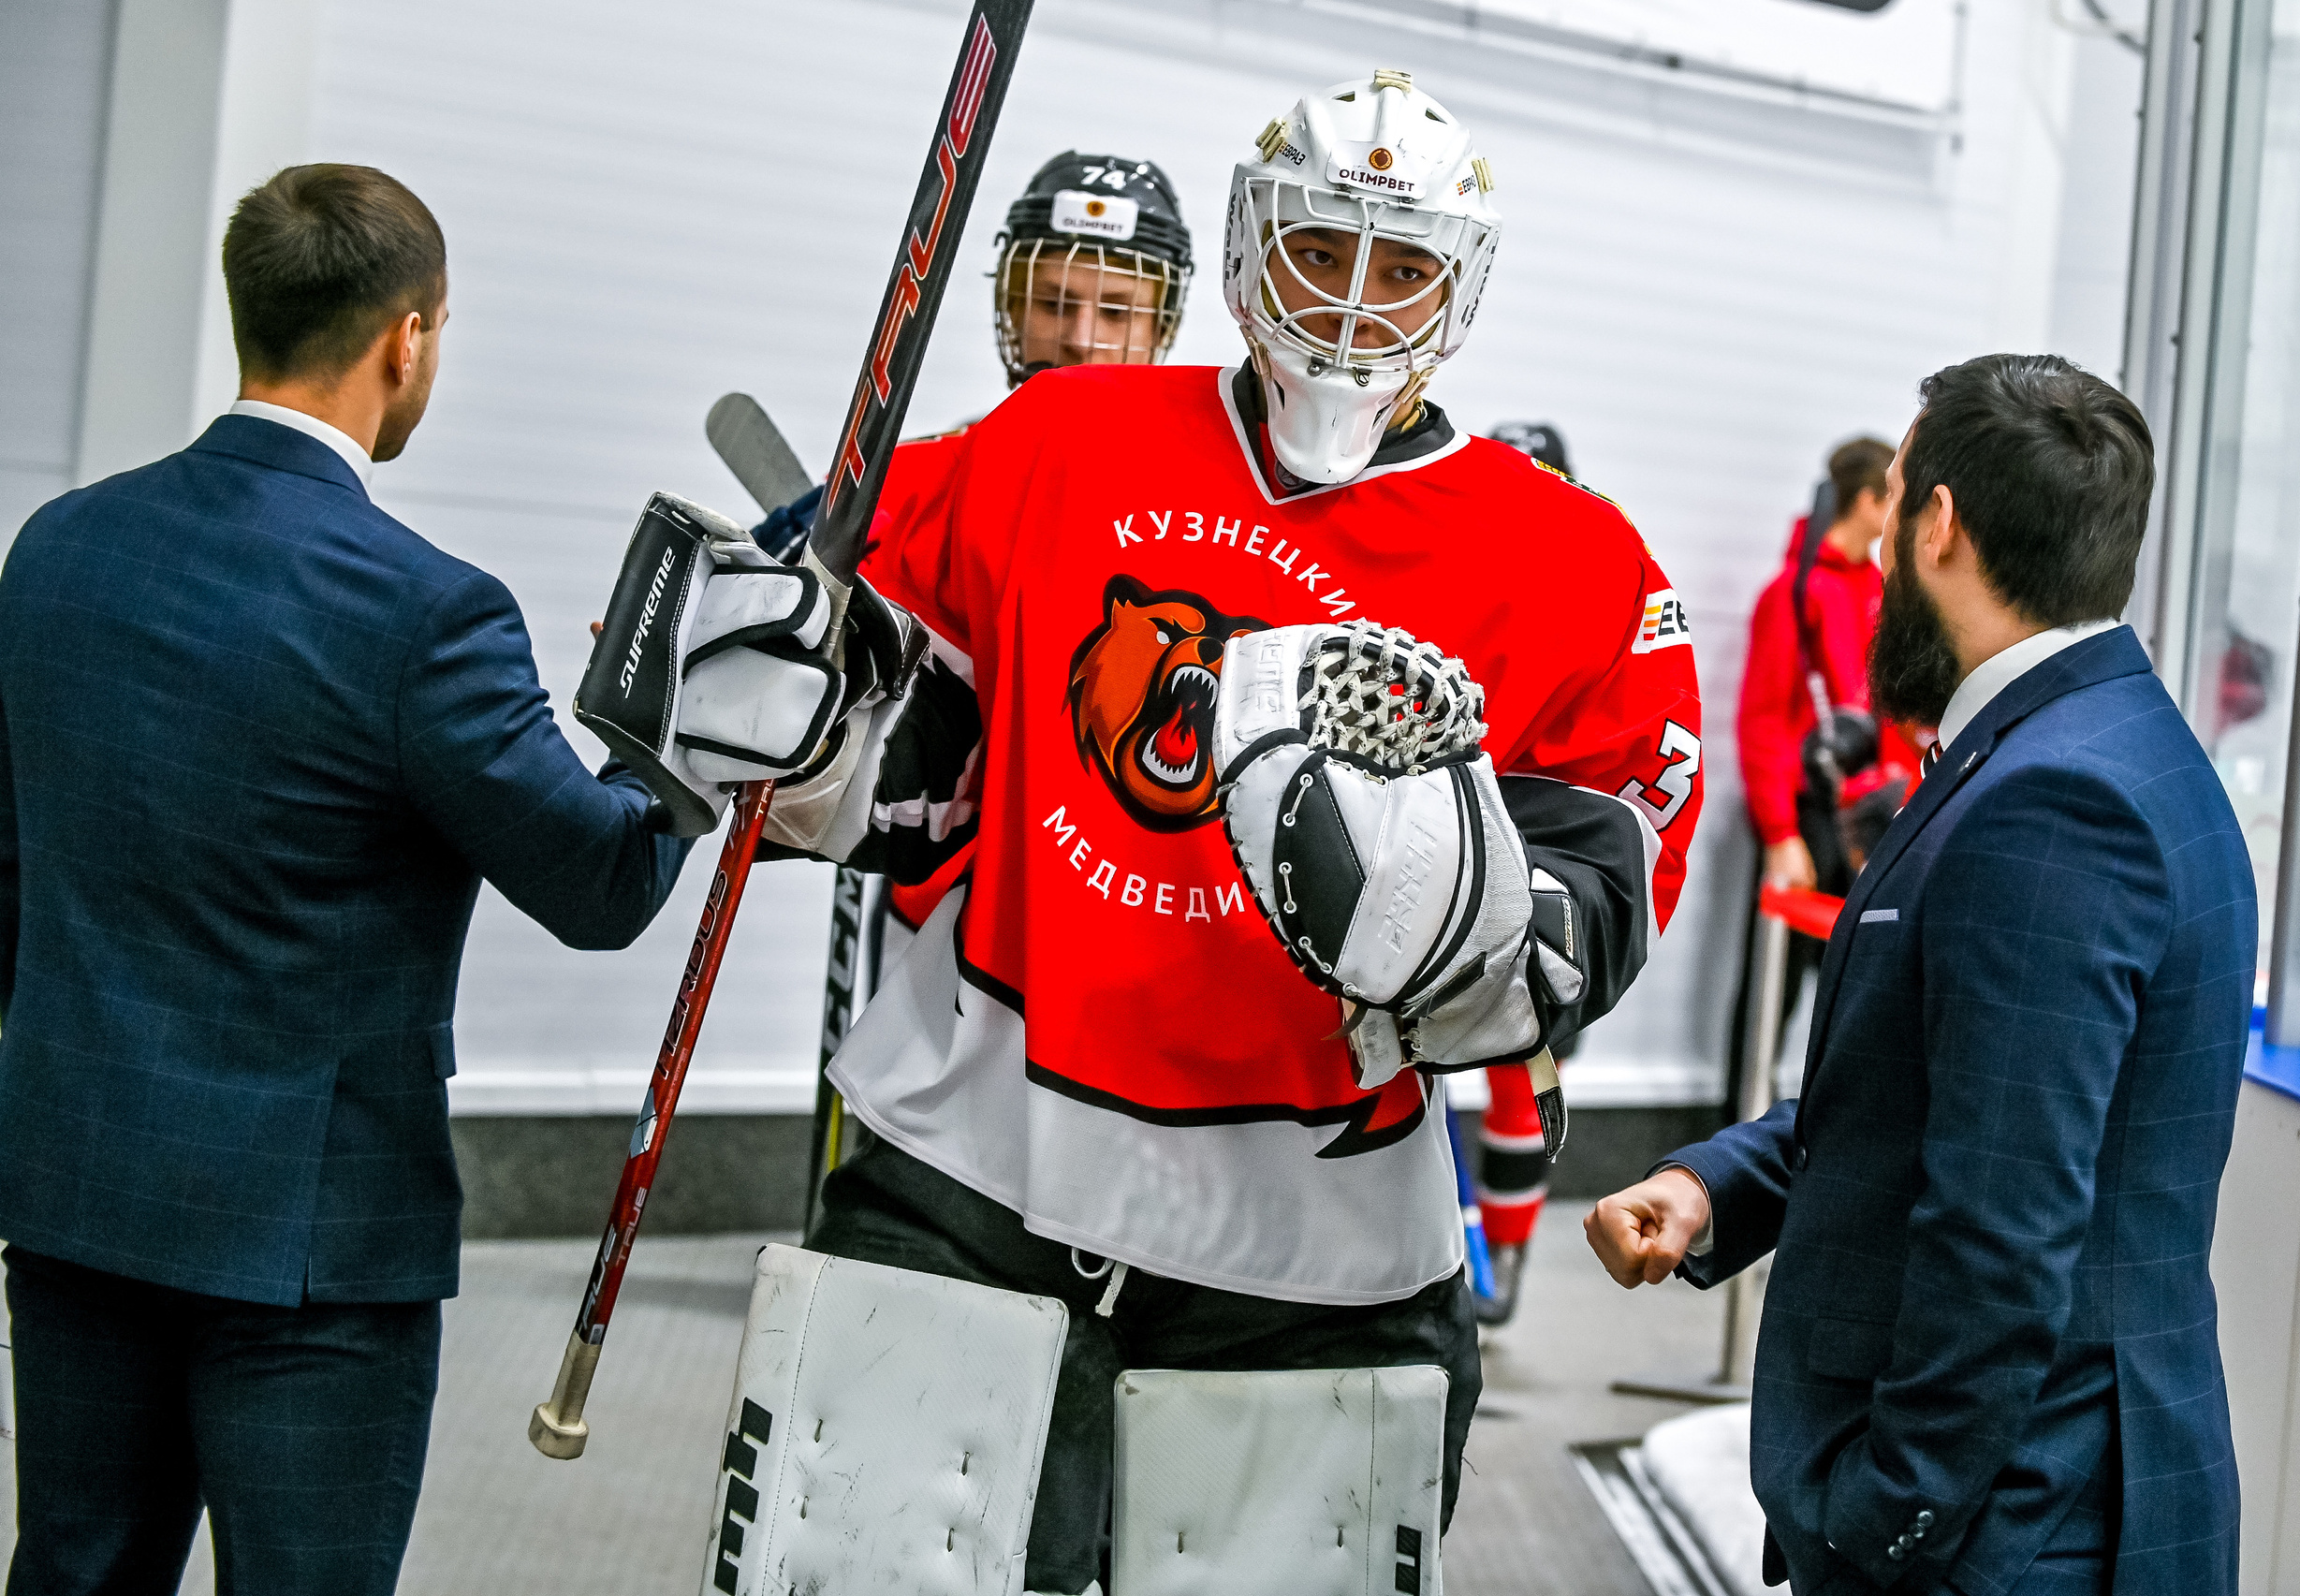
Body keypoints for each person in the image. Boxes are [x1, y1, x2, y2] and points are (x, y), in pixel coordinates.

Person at [757, 71, 1706, 1593]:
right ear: (1252, 242)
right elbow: (896, 731)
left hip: (1311, 1257)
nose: (1348, 303)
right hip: (973, 1177)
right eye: (1319, 248)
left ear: (1460, 293)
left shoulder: (1572, 561)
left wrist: (1478, 931)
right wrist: (779, 697)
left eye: (1400, 267)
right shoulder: (1063, 435)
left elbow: (1606, 874)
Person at [0, 165, 819, 1595]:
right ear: (409, 339)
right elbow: (601, 884)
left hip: (77, 1195)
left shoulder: (60, 550)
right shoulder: (425, 612)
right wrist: (675, 733)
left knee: (74, 1572)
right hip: (313, 1256)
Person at [1587, 354, 2256, 1596]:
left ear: (1939, 523)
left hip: (2012, 1532)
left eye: (1894, 503)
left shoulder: (2053, 801)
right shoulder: (2097, 742)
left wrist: (1884, 1516)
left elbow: (2003, 1233)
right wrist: (1715, 1184)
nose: (1880, 545)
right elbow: (1946, 1101)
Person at [755, 149, 1194, 982]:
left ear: (1159, 323)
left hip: (1117, 917)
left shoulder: (1200, 507)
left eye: (1117, 309)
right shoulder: (935, 471)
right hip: (941, 904)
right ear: (1010, 304)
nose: (1080, 334)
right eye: (1054, 302)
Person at [1737, 435, 1912, 897]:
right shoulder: (1793, 594)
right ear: (1867, 501)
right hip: (1809, 811)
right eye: (1894, 495)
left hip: (1870, 806)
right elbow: (1763, 718)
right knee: (1791, 962)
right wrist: (1780, 834)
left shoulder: (1880, 590)